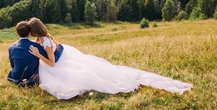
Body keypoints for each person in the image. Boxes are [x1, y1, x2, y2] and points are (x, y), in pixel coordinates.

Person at [28, 17, 193, 100]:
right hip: (62, 55)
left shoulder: (47, 42)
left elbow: (52, 62)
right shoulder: (42, 38)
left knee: (86, 75)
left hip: (57, 61)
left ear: (35, 31)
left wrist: (38, 55)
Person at [7, 20, 63, 86]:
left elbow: (12, 65)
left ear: (17, 32)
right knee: (60, 47)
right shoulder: (37, 47)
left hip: (14, 77)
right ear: (30, 33)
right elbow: (48, 59)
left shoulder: (11, 47)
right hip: (31, 79)